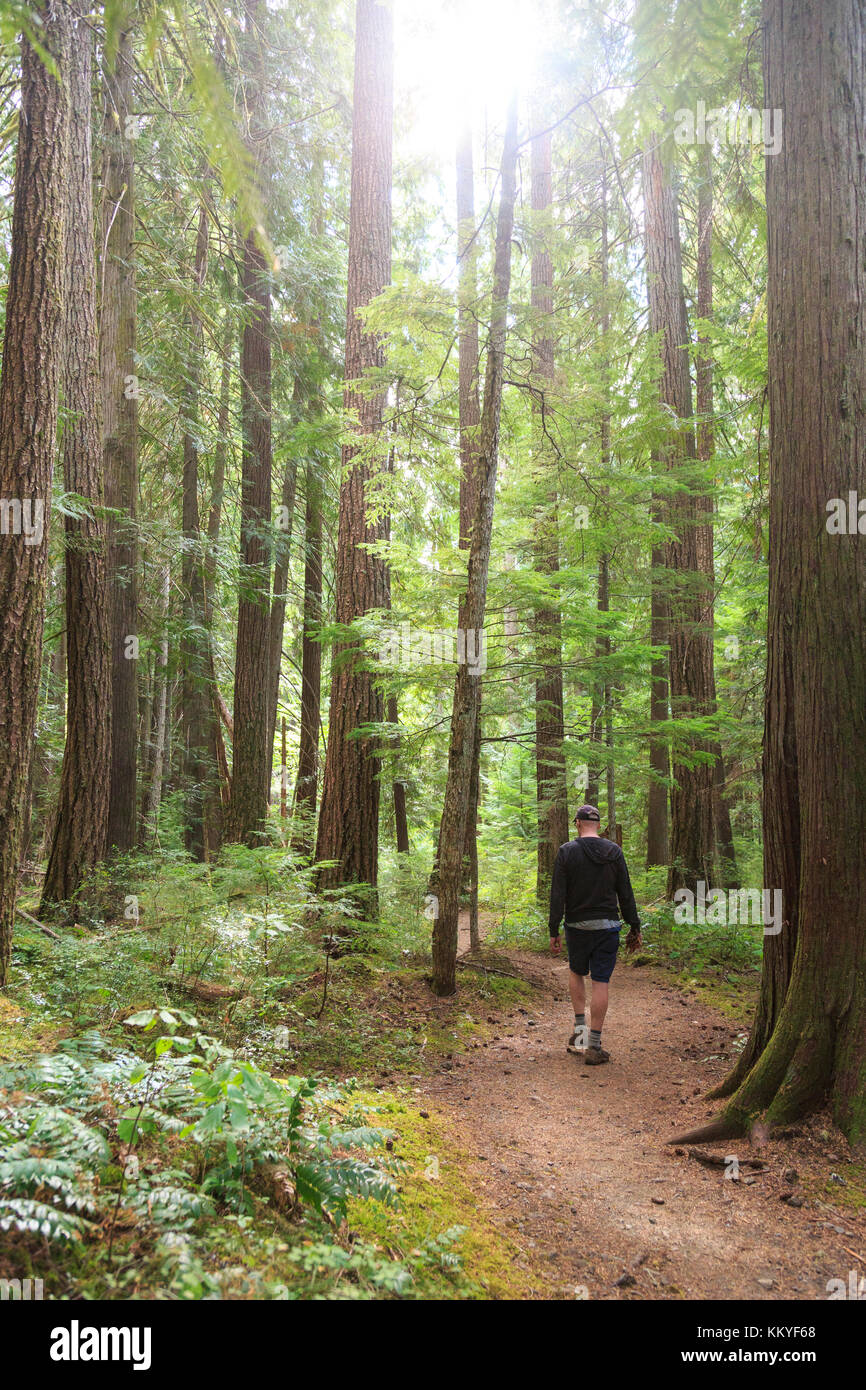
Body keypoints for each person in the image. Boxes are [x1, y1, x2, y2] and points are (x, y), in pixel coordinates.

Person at [548, 804, 643, 1065]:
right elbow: (626, 892)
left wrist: (553, 929)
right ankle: (595, 1045)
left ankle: (580, 1035)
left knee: (577, 973)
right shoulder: (614, 851)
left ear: (577, 823)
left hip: (577, 926)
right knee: (601, 981)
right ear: (598, 825)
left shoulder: (567, 851)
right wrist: (634, 925)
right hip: (608, 927)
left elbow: (558, 894)